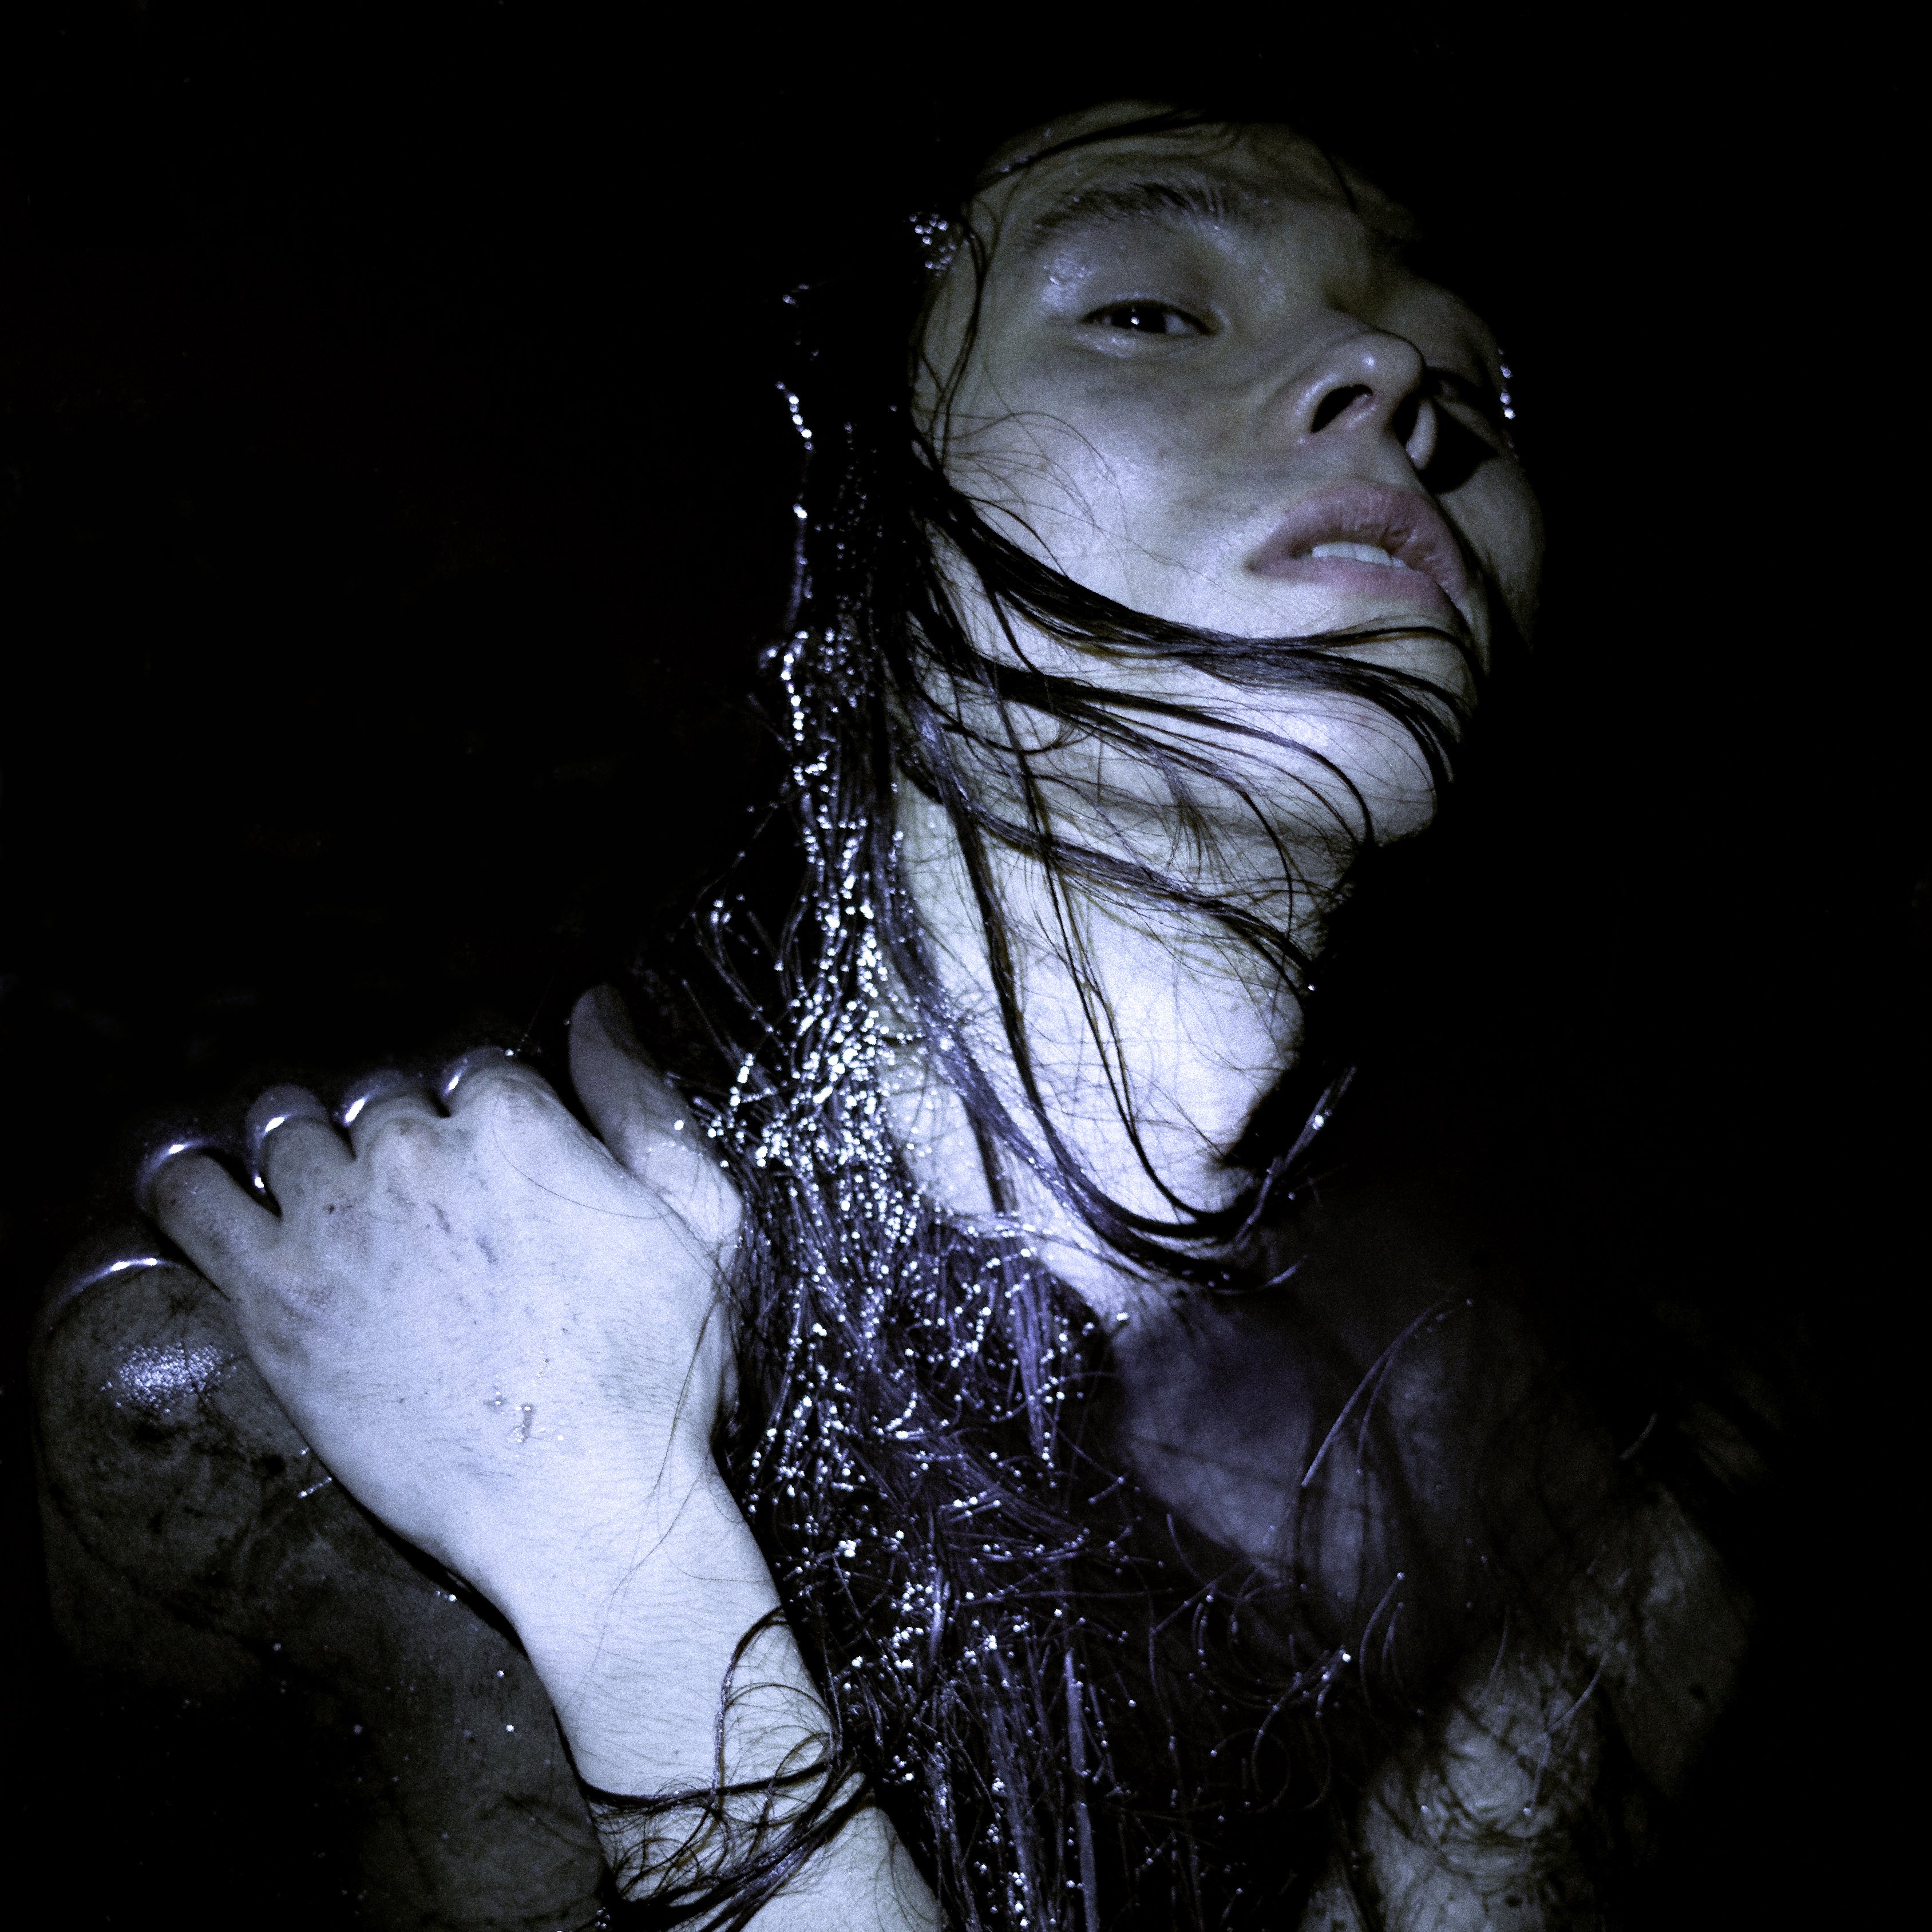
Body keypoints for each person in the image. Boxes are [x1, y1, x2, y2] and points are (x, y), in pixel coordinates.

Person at [34, 96, 1753, 1929]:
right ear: (849, 507)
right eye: (1150, 312)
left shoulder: (1560, 1442)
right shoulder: (291, 1394)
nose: (1395, 375)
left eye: (1472, 378)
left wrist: (616, 1537)